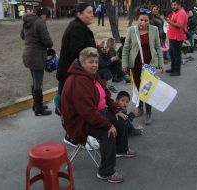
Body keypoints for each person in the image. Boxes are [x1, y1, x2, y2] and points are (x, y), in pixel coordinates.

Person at [61, 47, 136, 183]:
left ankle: (121, 149)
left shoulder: (92, 76)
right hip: (80, 121)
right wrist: (107, 125)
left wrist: (116, 110)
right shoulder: (79, 81)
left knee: (120, 120)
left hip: (97, 113)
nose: (95, 65)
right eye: (91, 62)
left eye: (96, 61)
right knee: (108, 133)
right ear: (82, 63)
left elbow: (106, 96)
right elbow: (87, 112)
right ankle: (105, 172)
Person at [122, 7, 164, 125]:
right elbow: (126, 48)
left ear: (149, 20)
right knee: (139, 86)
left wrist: (160, 64)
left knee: (147, 88)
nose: (143, 23)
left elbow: (158, 48)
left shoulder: (154, 30)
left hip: (149, 65)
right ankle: (140, 107)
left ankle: (149, 112)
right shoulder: (131, 30)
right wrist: (124, 63)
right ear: (137, 19)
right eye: (141, 20)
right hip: (135, 65)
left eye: (146, 20)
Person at [56, 2, 96, 97]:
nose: (92, 15)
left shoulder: (79, 26)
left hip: (73, 74)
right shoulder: (77, 28)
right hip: (71, 75)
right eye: (89, 12)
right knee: (69, 105)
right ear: (79, 14)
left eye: (92, 12)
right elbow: (78, 52)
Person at [20, 7, 53, 116]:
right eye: (47, 18)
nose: (46, 20)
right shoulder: (40, 22)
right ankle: (39, 109)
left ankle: (36, 105)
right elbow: (48, 42)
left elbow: (22, 36)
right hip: (37, 56)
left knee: (35, 81)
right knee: (38, 83)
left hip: (28, 55)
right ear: (44, 15)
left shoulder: (27, 21)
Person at [165, 0, 187, 76]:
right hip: (172, 37)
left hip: (177, 38)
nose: (173, 6)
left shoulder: (181, 13)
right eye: (172, 5)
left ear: (179, 5)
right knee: (172, 54)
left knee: (176, 55)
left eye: (175, 5)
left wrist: (169, 22)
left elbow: (180, 25)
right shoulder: (176, 12)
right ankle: (173, 68)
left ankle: (177, 71)